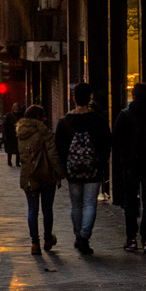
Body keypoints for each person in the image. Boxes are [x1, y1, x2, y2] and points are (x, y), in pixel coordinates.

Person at [56, 81, 112, 255]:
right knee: (90, 204)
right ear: (90, 99)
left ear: (74, 99)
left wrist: (63, 168)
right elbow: (106, 145)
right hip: (93, 170)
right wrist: (101, 165)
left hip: (73, 171)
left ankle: (77, 235)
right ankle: (84, 237)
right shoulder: (99, 121)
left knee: (76, 205)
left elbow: (59, 148)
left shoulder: (64, 121)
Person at [16, 105, 63, 254]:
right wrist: (60, 173)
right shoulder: (44, 132)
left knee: (32, 210)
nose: (46, 118)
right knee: (47, 209)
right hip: (46, 175)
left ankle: (34, 243)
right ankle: (47, 238)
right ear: (38, 117)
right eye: (43, 116)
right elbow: (53, 155)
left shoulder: (21, 133)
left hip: (29, 177)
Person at [112, 81, 146, 252]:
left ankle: (131, 238)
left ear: (133, 95)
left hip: (130, 165)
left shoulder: (125, 115)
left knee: (130, 202)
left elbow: (116, 142)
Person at [2, 103, 22, 167]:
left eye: (17, 109)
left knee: (18, 150)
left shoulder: (20, 115)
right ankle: (9, 162)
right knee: (9, 151)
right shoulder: (9, 115)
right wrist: (5, 134)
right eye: (15, 109)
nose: (16, 111)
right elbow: (4, 125)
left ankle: (17, 162)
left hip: (17, 135)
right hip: (10, 135)